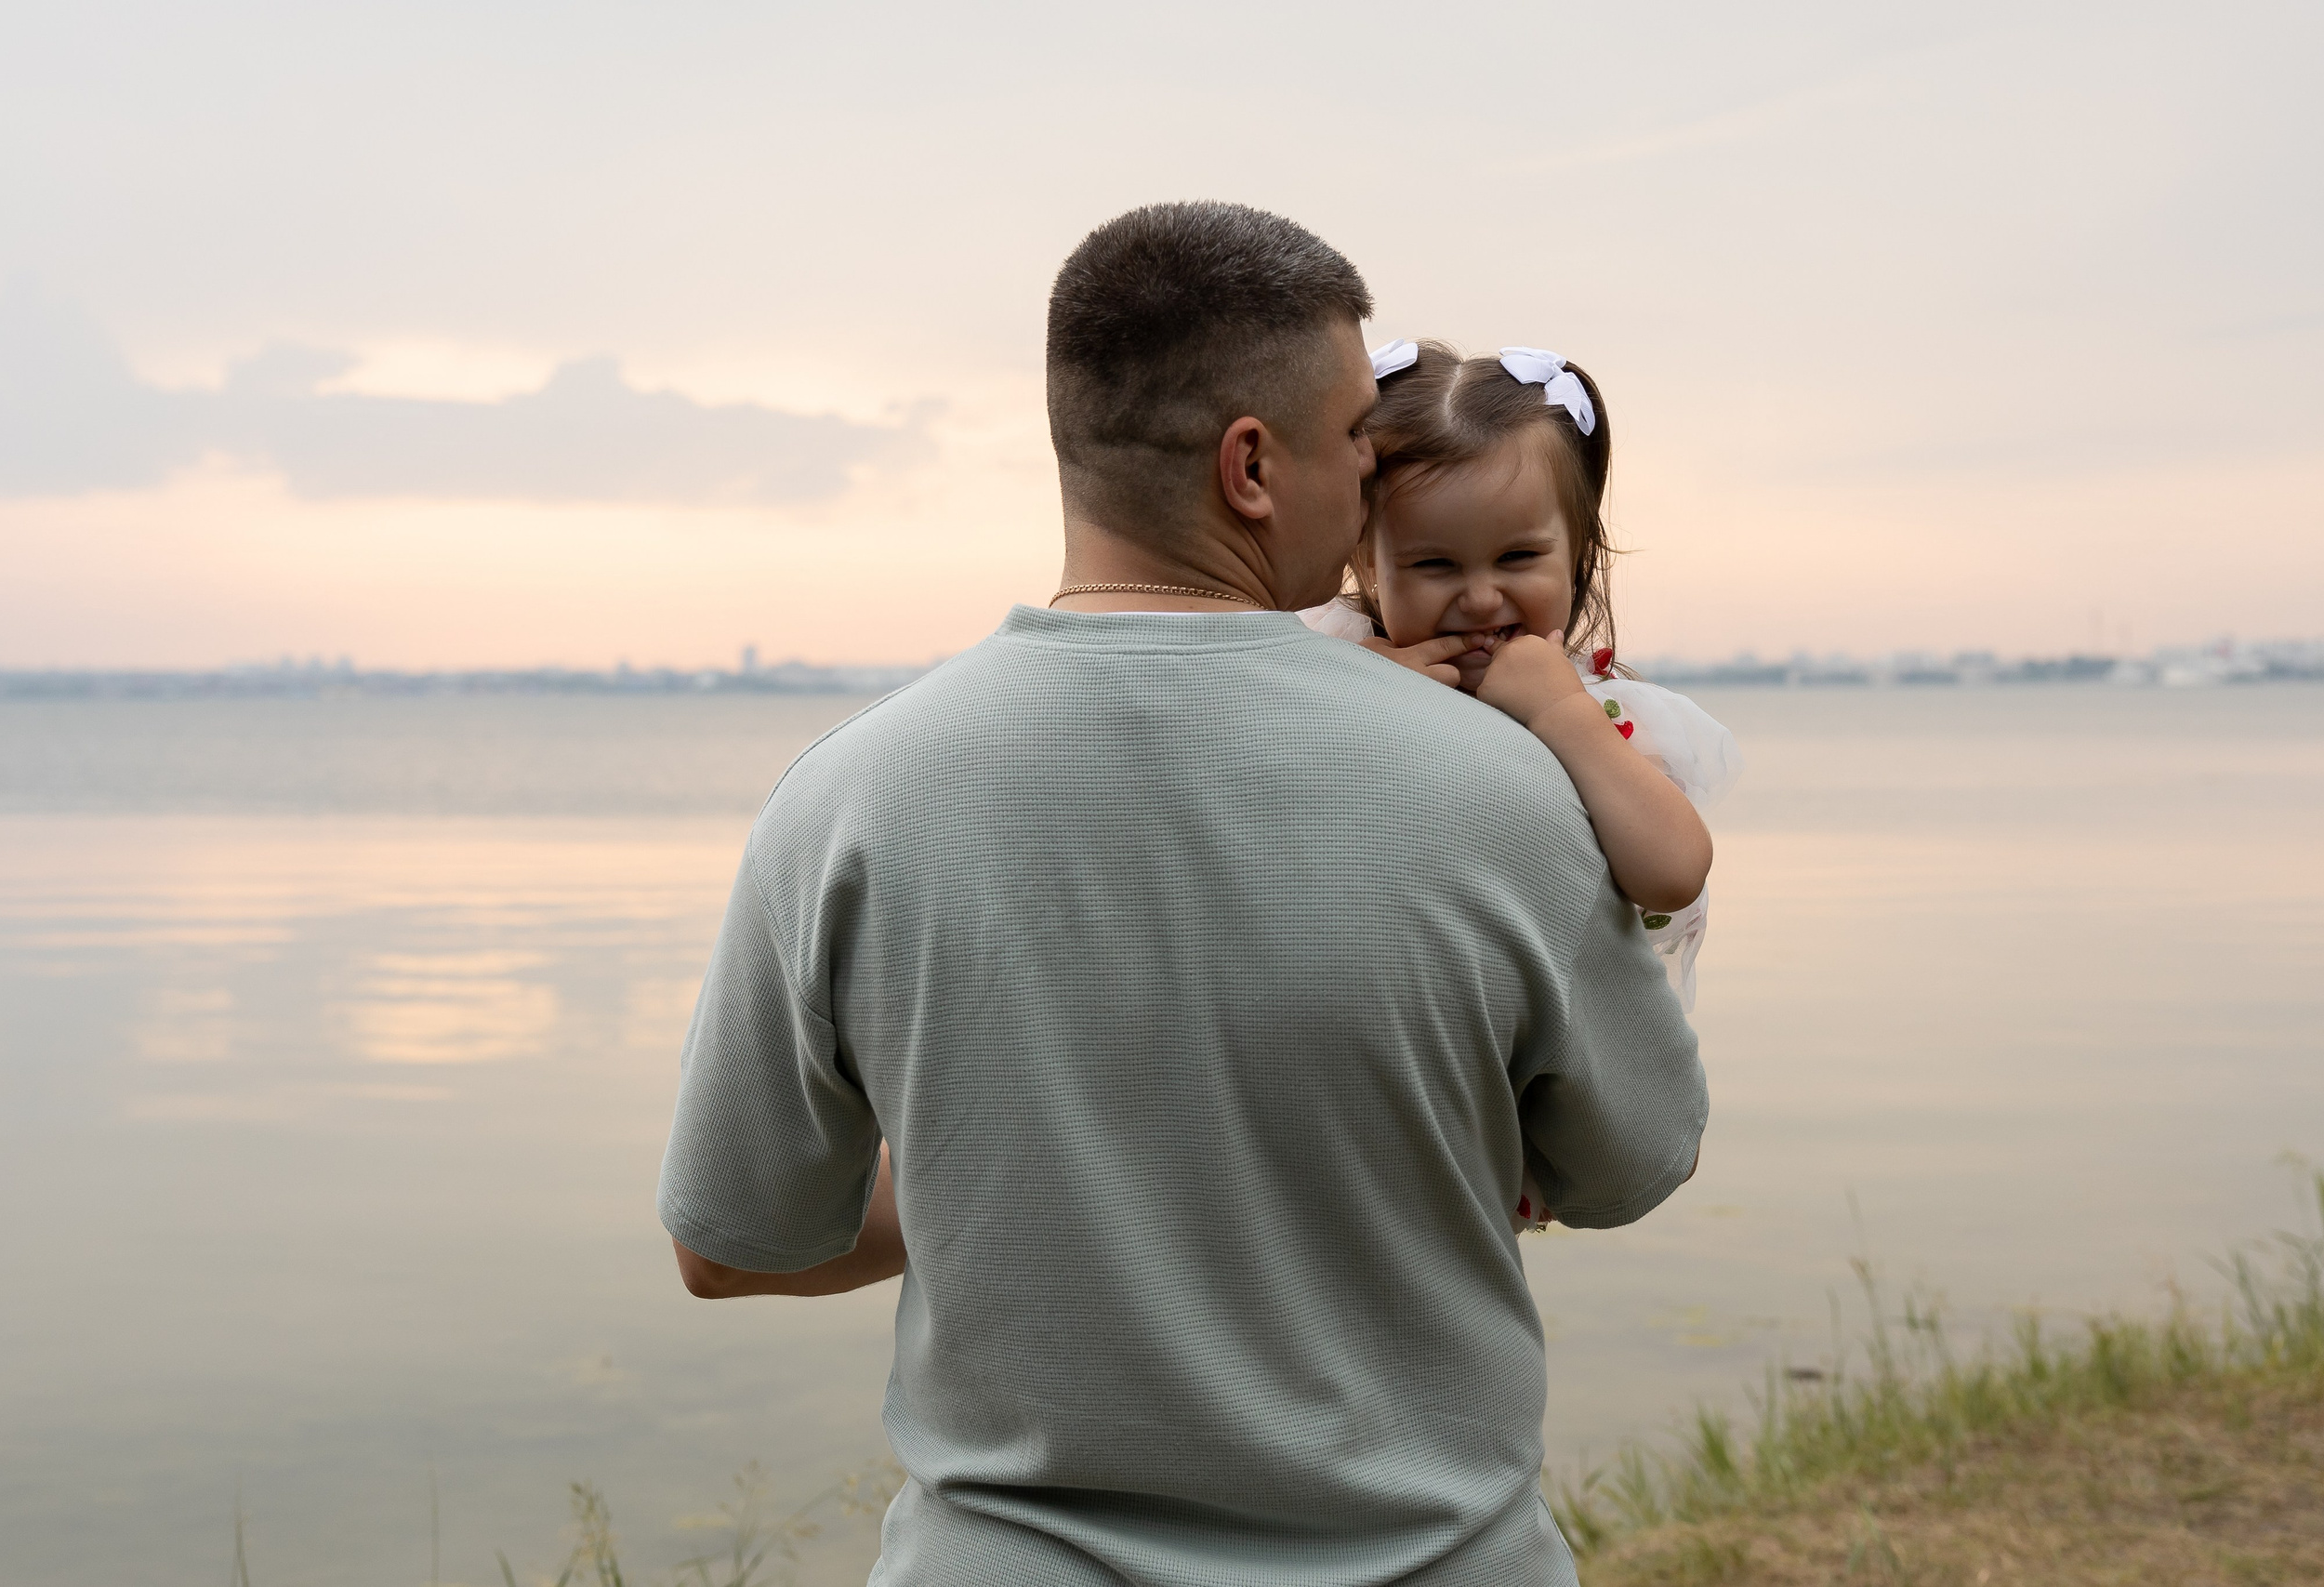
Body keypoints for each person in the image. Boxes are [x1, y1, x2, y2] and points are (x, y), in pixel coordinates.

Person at [656, 202, 1709, 1587]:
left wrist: (1036, 1169)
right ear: (1253, 465)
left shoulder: (844, 799)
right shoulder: (1507, 790)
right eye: (1355, 441)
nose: (1368, 479)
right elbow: (1627, 1164)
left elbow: (731, 1246)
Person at [1301, 340, 1744, 1026]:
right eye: (1435, 564)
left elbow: (1677, 870)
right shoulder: (1331, 667)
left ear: (1577, 554)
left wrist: (1561, 713)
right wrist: (1352, 694)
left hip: (1542, 1041)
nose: (1481, 598)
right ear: (1367, 559)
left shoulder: (1603, 714)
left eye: (1517, 557)